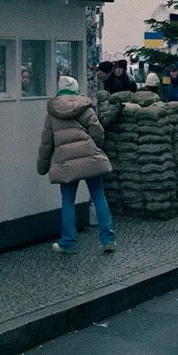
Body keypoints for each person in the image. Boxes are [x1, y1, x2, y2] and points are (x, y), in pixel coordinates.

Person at [36, 73, 116, 254]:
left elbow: (46, 143)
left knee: (68, 202)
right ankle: (108, 239)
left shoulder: (53, 113)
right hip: (89, 159)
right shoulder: (86, 108)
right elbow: (98, 133)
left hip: (66, 163)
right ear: (76, 90)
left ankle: (68, 243)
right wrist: (94, 148)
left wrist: (42, 167)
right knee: (99, 196)